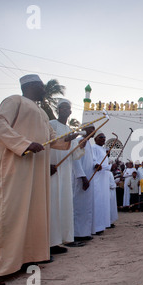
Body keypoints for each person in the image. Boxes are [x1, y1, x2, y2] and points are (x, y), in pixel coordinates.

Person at [0, 74, 73, 285]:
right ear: (30, 86)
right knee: (6, 215)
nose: (43, 88)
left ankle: (26, 258)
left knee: (32, 214)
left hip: (35, 172)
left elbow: (53, 140)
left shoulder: (42, 114)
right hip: (14, 168)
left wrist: (72, 139)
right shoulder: (14, 101)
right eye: (40, 85)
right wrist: (25, 143)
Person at [49, 99, 85, 255]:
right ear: (58, 110)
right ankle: (49, 241)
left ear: (70, 112)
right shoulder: (51, 124)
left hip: (66, 172)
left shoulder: (69, 129)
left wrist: (82, 142)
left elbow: (74, 154)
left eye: (68, 109)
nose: (65, 110)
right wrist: (46, 165)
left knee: (64, 204)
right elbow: (47, 143)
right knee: (52, 205)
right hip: (52, 169)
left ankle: (60, 239)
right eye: (62, 108)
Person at [72, 124, 96, 242]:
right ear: (84, 130)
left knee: (86, 207)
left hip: (88, 178)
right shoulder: (78, 141)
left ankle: (85, 232)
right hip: (80, 180)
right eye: (91, 128)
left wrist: (96, 165)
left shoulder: (89, 144)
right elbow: (75, 160)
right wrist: (82, 177)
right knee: (78, 207)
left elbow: (90, 160)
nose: (93, 130)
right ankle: (76, 233)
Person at [92, 132, 111, 235]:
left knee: (104, 201)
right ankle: (96, 227)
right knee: (98, 201)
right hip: (98, 177)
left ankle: (102, 224)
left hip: (104, 177)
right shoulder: (93, 148)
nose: (103, 139)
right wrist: (96, 165)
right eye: (101, 137)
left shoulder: (103, 149)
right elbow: (94, 162)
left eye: (104, 137)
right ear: (95, 139)